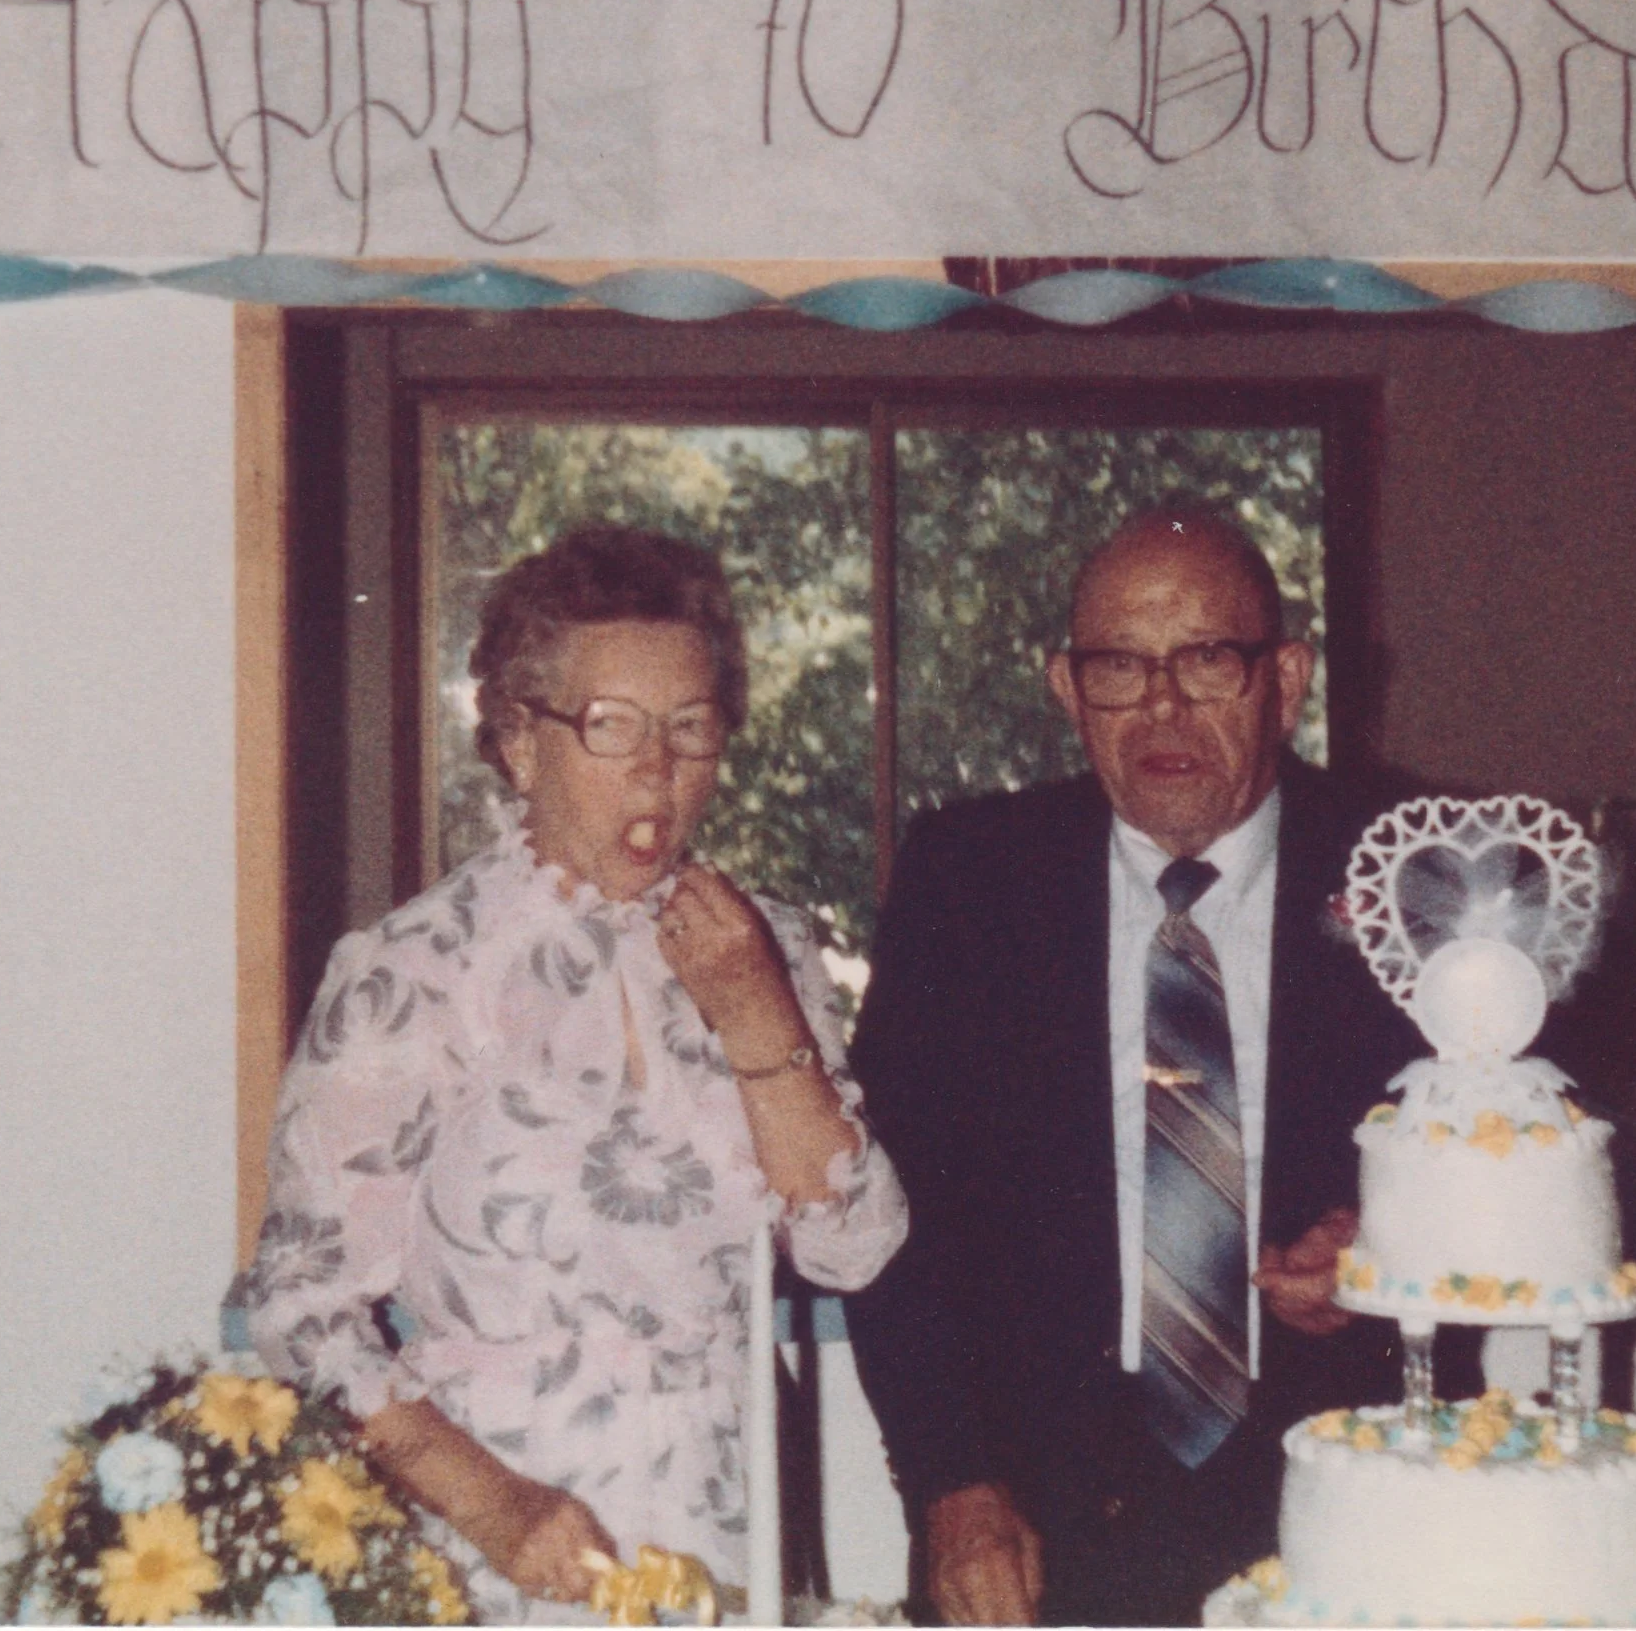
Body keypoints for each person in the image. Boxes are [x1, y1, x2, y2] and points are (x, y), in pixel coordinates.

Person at [247, 526, 907, 1622]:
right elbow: (300, 1307)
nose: (659, 768)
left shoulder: (768, 946)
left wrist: (754, 1013)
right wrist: (496, 1506)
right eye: (612, 726)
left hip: (727, 1531)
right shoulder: (413, 971)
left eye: (691, 728)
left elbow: (852, 1245)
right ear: (517, 739)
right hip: (496, 1549)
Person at [845, 505, 1414, 1626]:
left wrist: (1394, 1236)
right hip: (1036, 1527)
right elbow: (888, 1209)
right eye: (1117, 665)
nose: (1160, 707)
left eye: (1205, 660)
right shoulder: (969, 875)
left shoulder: (1409, 860)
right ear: (1066, 686)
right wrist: (947, 1479)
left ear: (1284, 678)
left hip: (1353, 1510)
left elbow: (1545, 1133)